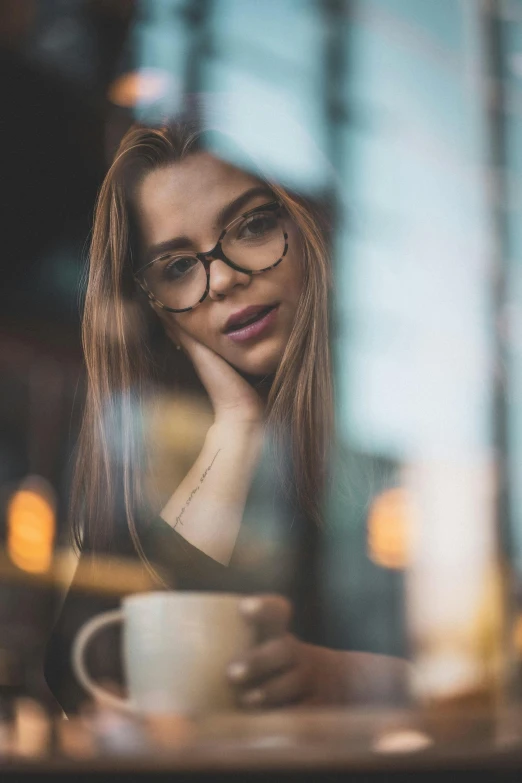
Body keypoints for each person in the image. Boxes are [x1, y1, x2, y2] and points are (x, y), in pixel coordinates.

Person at [45, 117, 408, 715]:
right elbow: (85, 674)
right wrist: (235, 428)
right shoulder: (155, 446)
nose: (223, 279)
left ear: (309, 226)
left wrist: (347, 679)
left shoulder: (398, 423)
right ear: (157, 311)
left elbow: (483, 657)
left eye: (253, 226)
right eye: (178, 268)